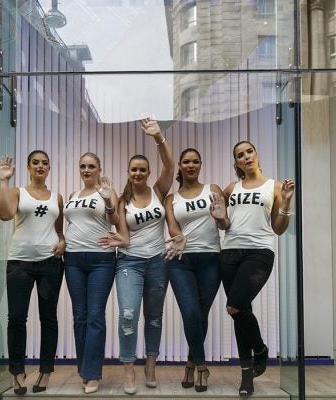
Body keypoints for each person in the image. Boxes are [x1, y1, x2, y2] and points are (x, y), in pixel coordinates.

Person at [212, 140, 295, 397]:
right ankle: (246, 374)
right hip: (229, 254)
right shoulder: (231, 188)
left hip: (259, 253)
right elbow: (225, 225)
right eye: (240, 155)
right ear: (236, 163)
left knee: (234, 306)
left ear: (256, 155)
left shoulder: (275, 187)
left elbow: (278, 229)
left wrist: (287, 202)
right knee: (240, 312)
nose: (246, 157)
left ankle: (260, 349)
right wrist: (220, 217)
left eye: (249, 152)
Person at [99, 118, 174, 395]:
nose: (138, 173)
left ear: (148, 171)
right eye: (134, 169)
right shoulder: (122, 200)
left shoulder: (158, 191)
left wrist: (158, 138)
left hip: (157, 262)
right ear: (129, 172)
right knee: (128, 316)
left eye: (143, 169)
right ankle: (129, 368)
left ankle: (150, 365)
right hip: (129, 262)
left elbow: (170, 166)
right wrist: (116, 230)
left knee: (154, 317)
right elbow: (123, 234)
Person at [0, 151, 66, 396]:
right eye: (35, 162)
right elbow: (5, 214)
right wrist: (4, 181)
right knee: (16, 318)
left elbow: (59, 230)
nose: (40, 166)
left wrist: (62, 241)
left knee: (49, 318)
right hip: (19, 263)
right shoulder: (17, 192)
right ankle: (17, 372)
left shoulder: (56, 197)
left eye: (44, 163)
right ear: (28, 167)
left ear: (49, 168)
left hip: (50, 264)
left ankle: (46, 371)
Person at [163, 148, 229, 392]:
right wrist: (178, 236)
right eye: (186, 162)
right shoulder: (171, 199)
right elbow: (172, 227)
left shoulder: (212, 190)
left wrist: (221, 218)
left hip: (211, 260)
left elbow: (225, 223)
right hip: (180, 261)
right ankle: (202, 365)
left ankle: (190, 363)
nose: (191, 165)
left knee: (200, 315)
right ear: (180, 166)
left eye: (195, 162)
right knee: (190, 312)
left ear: (200, 165)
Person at [63, 152, 120, 394]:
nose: (86, 170)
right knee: (80, 316)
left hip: (101, 260)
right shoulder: (73, 196)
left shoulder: (107, 191)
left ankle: (93, 373)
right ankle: (84, 369)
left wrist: (107, 200)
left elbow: (116, 220)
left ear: (99, 169)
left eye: (91, 166)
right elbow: (71, 224)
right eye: (83, 166)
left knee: (95, 315)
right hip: (73, 259)